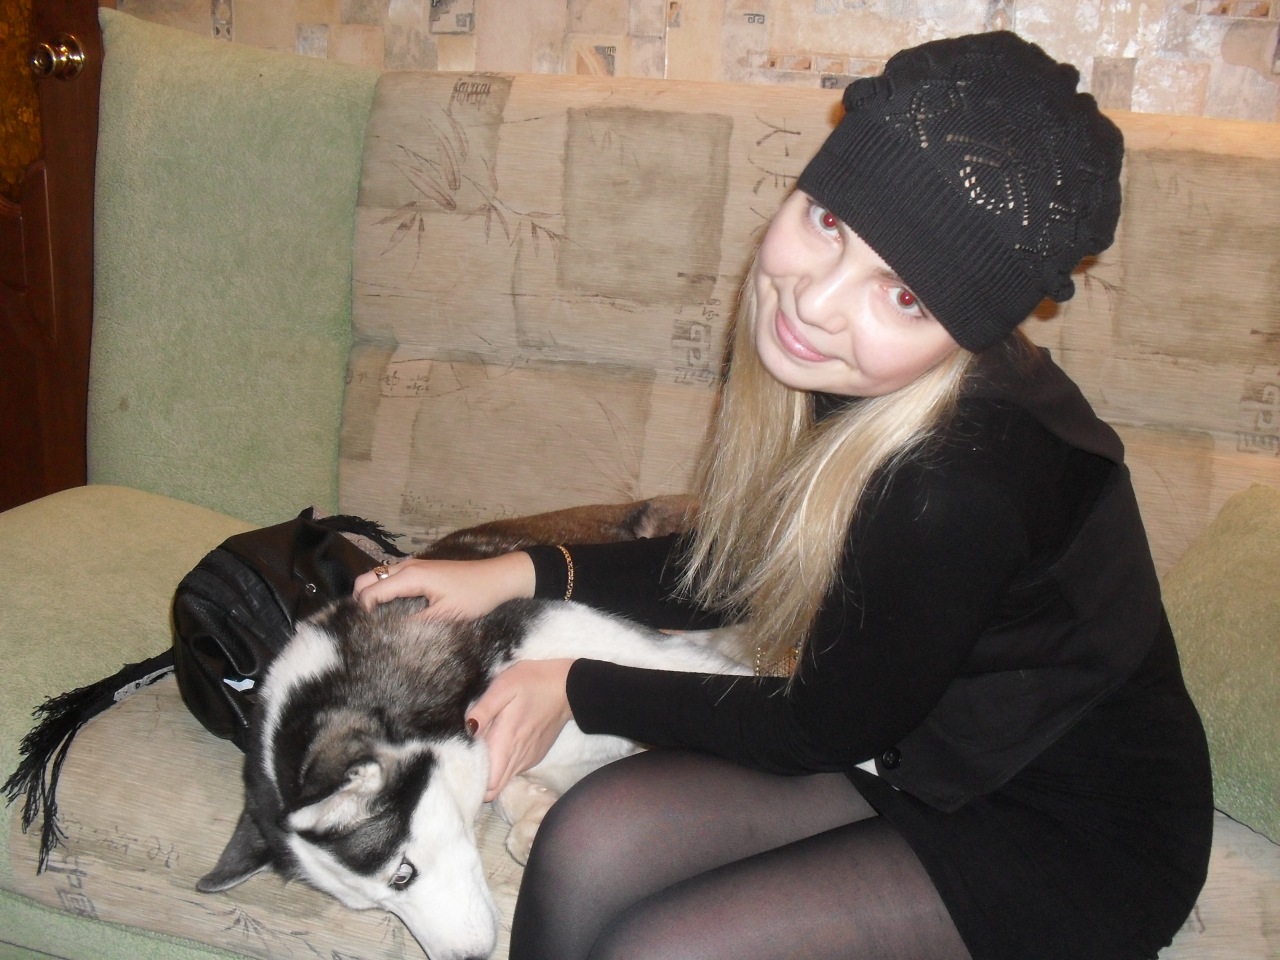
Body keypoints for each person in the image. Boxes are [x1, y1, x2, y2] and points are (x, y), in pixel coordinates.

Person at [354, 30, 1213, 960]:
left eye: (904, 296)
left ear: (966, 332)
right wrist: (512, 575)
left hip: (1075, 835)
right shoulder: (854, 373)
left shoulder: (954, 482)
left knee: (661, 950)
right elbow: (750, 564)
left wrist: (574, 686)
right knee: (585, 842)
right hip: (924, 748)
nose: (814, 302)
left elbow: (819, 725)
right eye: (830, 221)